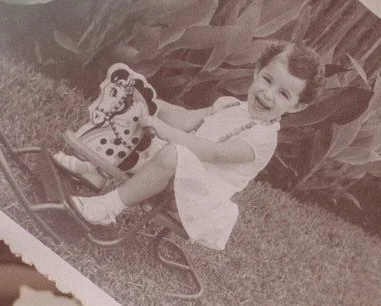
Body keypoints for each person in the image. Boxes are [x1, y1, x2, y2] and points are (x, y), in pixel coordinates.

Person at [65, 41, 324, 250]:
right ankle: (95, 171)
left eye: (284, 94)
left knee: (172, 153)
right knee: (150, 136)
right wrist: (152, 103)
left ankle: (108, 208)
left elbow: (210, 152)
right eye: (267, 80)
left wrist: (165, 131)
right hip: (169, 175)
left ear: (298, 106)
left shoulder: (262, 141)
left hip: (193, 200)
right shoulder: (232, 105)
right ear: (257, 71)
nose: (268, 94)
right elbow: (186, 118)